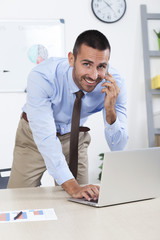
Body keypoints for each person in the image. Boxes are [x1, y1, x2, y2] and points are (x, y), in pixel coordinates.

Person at [7, 30, 128, 201]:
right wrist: (72, 186)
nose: (94, 75)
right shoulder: (43, 77)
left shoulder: (115, 84)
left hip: (75, 138)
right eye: (87, 64)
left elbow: (118, 147)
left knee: (82, 202)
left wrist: (110, 112)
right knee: (17, 200)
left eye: (101, 66)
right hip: (33, 139)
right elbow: (46, 137)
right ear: (72, 59)